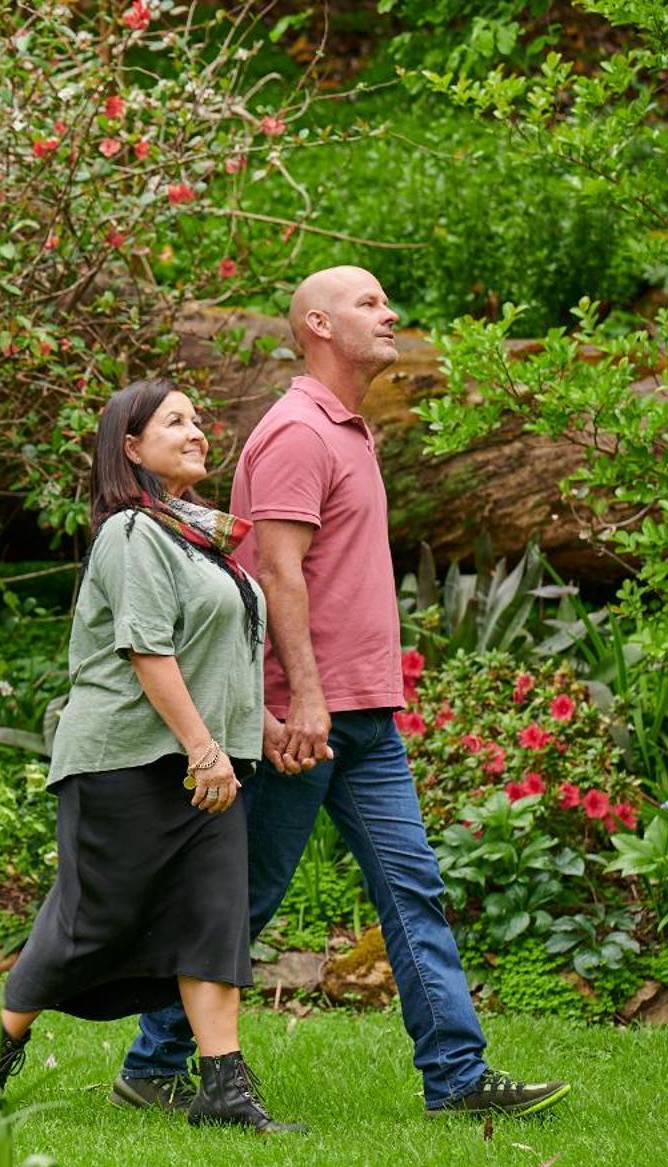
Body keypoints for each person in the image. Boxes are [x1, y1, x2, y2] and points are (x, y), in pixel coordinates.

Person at [111, 267, 572, 1119]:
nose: (389, 311)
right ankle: (155, 1059)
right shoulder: (294, 431)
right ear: (318, 324)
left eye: (386, 299)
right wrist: (300, 704)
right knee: (244, 898)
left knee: (412, 887)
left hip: (365, 717)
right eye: (368, 302)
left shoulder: (352, 430)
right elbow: (275, 572)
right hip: (303, 720)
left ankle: (458, 1076)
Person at [0, 378, 304, 1133]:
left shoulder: (198, 537)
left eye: (198, 419)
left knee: (214, 916)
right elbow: (148, 649)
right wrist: (205, 749)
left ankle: (224, 1089)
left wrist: (258, 727)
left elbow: (211, 657)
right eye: (176, 421)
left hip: (208, 764)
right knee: (93, 922)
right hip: (127, 761)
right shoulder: (133, 534)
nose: (198, 431)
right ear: (131, 447)